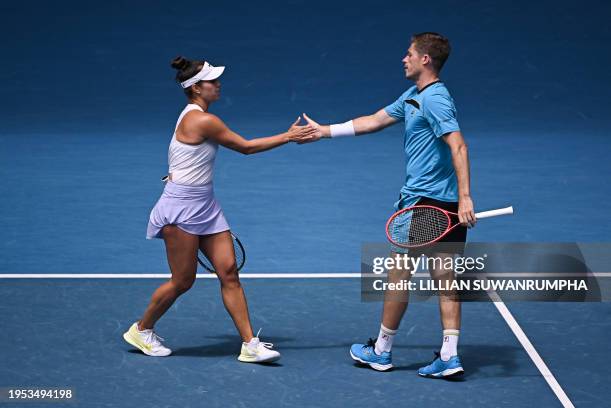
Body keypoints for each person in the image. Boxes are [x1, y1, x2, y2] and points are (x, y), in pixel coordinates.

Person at [302, 33, 476, 377]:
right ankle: (450, 356)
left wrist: (467, 195)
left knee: (399, 276)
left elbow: (459, 146)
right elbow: (374, 120)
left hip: (424, 203)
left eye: (409, 53)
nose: (403, 59)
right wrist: (325, 131)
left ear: (425, 59)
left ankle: (381, 350)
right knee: (446, 280)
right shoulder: (414, 96)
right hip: (447, 205)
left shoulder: (434, 100)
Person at [123, 56, 316, 363]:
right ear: (197, 88)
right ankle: (141, 329)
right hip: (180, 208)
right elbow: (246, 147)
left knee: (229, 272)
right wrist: (288, 136)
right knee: (182, 281)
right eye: (212, 81)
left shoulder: (199, 114)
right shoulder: (201, 119)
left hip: (206, 205)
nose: (218, 84)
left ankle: (250, 343)